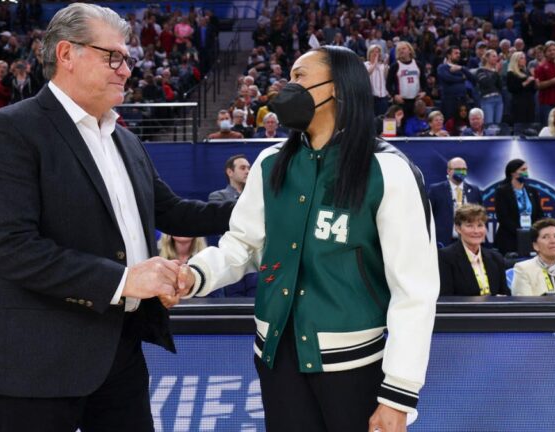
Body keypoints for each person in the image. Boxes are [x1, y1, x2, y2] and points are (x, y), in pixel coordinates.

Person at [0, 4, 233, 431]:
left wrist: (263, 206)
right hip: (39, 362)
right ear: (66, 54)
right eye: (113, 56)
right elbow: (8, 249)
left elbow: (175, 212)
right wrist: (124, 280)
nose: (126, 69)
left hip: (121, 352)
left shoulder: (124, 138)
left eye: (127, 58)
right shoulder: (11, 130)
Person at [173, 46, 439, 432]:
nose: (286, 89)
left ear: (341, 88)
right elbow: (241, 246)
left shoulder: (389, 171)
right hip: (276, 358)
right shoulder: (268, 163)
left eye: (301, 78)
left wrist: (398, 394)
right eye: (288, 77)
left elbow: (414, 290)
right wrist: (194, 275)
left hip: (355, 366)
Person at [438, 204, 509, 296]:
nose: (476, 231)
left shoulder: (496, 258)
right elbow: (446, 298)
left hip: (494, 310)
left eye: (480, 225)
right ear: (458, 228)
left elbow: (505, 295)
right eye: (469, 226)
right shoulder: (445, 257)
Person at [427, 158, 483, 247]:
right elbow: (428, 215)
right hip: (444, 242)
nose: (461, 172)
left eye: (464, 169)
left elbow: (480, 216)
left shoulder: (474, 190)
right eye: (458, 169)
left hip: (469, 240)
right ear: (449, 171)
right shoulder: (436, 190)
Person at [494, 159, 544, 254]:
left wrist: (532, 232)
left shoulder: (532, 191)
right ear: (513, 173)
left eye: (526, 170)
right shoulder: (502, 191)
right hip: (509, 238)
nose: (526, 173)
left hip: (531, 238)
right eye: (523, 170)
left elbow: (539, 214)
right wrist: (521, 233)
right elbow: (503, 217)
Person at [387, 41, 427, 117]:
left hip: (416, 101)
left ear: (410, 50)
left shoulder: (418, 64)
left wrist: (424, 92)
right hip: (401, 102)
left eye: (403, 48)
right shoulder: (395, 66)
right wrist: (394, 95)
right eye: (399, 50)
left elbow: (424, 82)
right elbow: (388, 84)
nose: (401, 51)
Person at [436, 46, 474, 119]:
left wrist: (461, 68)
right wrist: (462, 78)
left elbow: (472, 77)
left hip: (462, 99)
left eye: (459, 53)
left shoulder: (461, 68)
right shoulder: (442, 67)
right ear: (449, 55)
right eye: (456, 53)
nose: (458, 55)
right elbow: (448, 78)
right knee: (449, 121)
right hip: (449, 100)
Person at [506, 51, 537, 124]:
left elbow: (533, 89)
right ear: (516, 60)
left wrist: (534, 76)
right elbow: (511, 88)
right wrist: (526, 82)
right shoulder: (511, 73)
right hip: (519, 103)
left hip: (529, 101)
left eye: (524, 58)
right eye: (521, 58)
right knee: (520, 123)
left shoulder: (526, 73)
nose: (524, 60)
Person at [475, 49, 504, 124]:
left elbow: (500, 87)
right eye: (493, 56)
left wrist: (498, 74)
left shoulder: (495, 71)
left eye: (496, 56)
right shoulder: (481, 71)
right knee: (489, 125)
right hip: (487, 100)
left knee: (498, 125)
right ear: (487, 58)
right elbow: (486, 83)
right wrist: (496, 73)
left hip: (498, 99)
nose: (496, 58)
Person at [365, 44, 389, 116]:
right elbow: (367, 73)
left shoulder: (382, 65)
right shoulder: (365, 64)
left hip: (383, 97)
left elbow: (386, 77)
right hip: (371, 98)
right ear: (369, 53)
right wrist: (375, 63)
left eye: (377, 52)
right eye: (373, 52)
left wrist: (386, 65)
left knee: (383, 120)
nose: (375, 53)